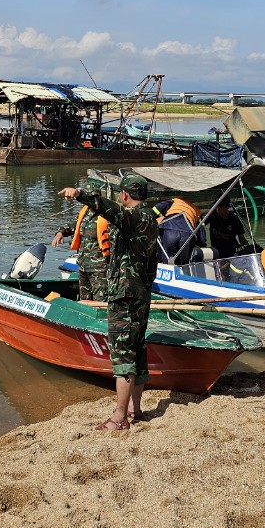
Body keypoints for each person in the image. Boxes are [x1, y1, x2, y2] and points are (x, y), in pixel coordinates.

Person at [58, 174, 158, 431]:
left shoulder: (132, 217)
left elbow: (110, 209)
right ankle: (136, 411)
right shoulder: (151, 219)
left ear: (125, 194)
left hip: (124, 293)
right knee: (137, 348)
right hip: (141, 293)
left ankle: (119, 417)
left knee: (123, 352)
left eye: (121, 195)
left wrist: (80, 194)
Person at [52, 195, 111, 303]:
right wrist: (60, 233)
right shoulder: (85, 213)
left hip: (100, 268)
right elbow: (72, 225)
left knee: (100, 301)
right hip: (83, 265)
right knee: (84, 300)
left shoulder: (108, 216)